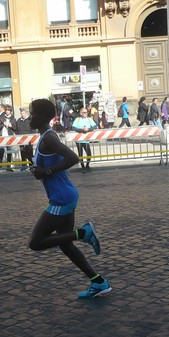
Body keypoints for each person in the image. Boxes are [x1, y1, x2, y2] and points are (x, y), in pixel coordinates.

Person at [28, 98, 111, 299]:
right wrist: (39, 169)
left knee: (36, 242)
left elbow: (73, 158)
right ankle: (98, 282)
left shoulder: (49, 138)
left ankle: (83, 233)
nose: (29, 117)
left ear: (39, 116)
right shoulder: (45, 137)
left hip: (61, 199)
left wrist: (46, 171)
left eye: (31, 113)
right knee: (65, 244)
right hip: (66, 195)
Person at [71, 106, 97, 173]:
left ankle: (87, 165)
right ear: (81, 113)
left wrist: (88, 129)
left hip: (86, 140)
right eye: (84, 112)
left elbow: (94, 126)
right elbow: (73, 128)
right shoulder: (77, 119)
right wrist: (81, 130)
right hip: (79, 140)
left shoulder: (89, 119)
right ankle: (82, 167)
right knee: (80, 154)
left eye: (87, 112)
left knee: (89, 154)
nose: (86, 113)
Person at [0, 105, 18, 172]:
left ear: (10, 111)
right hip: (2, 136)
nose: (7, 111)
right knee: (1, 150)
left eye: (8, 110)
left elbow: (15, 128)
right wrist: (3, 124)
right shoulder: (1, 117)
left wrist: (11, 126)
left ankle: (8, 166)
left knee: (9, 151)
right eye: (6, 110)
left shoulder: (13, 118)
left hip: (9, 136)